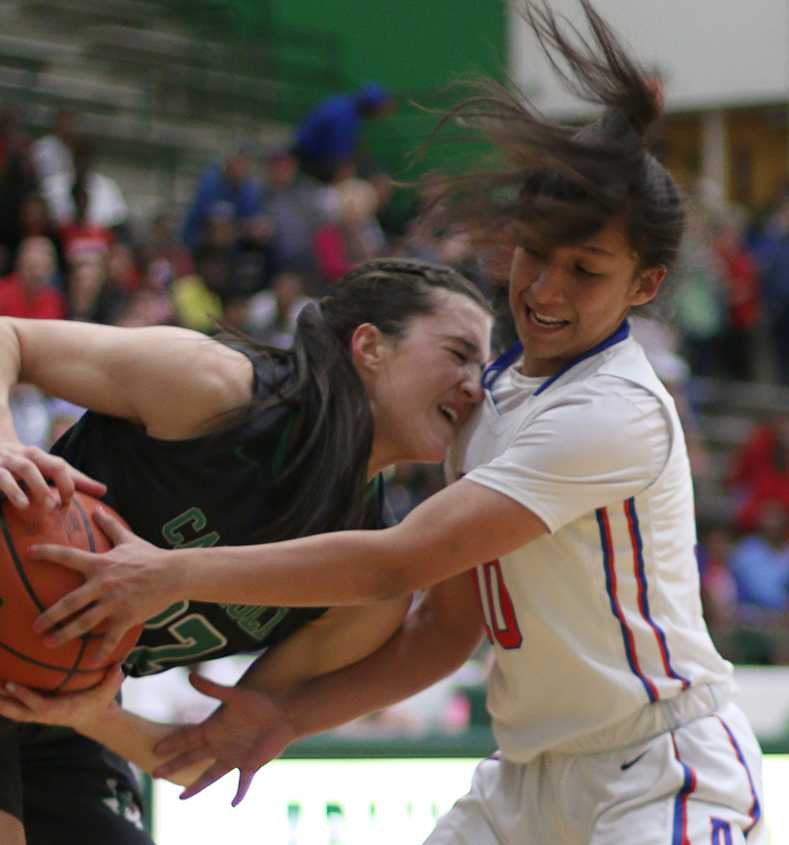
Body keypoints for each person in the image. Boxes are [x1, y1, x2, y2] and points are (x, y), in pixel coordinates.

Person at [23, 2, 769, 842]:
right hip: (525, 776)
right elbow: (445, 624)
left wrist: (171, 573)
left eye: (585, 271)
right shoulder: (488, 407)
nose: (545, 290)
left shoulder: (615, 409)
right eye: (533, 254)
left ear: (642, 286)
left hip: (658, 766)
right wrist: (285, 718)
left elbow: (398, 561)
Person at [0, 256, 491, 845]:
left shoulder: (367, 592)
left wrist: (90, 714)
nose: (476, 386)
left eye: (485, 368)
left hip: (53, 705)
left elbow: (203, 755)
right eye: (459, 353)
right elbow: (11, 336)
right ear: (370, 346)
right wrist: (4, 446)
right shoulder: (214, 388)